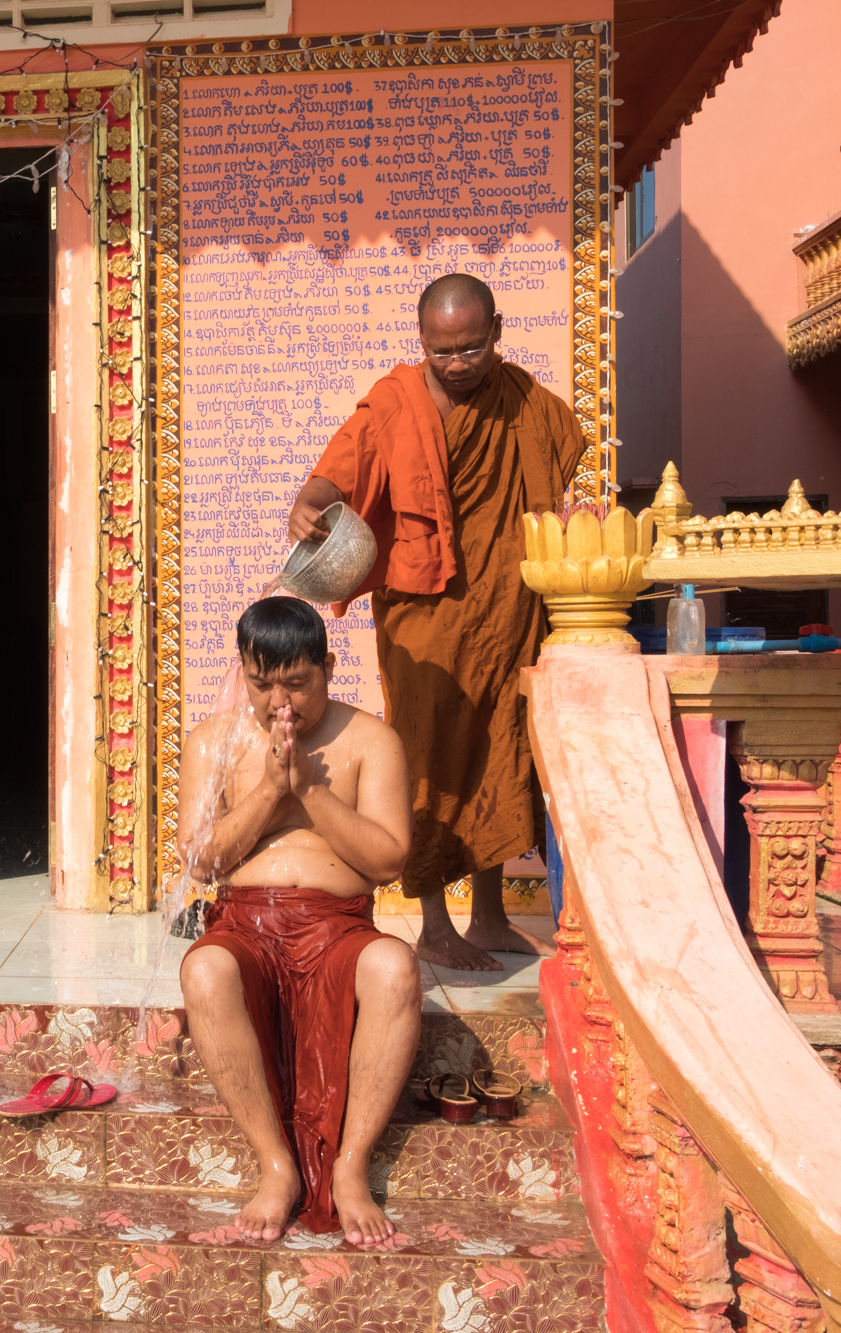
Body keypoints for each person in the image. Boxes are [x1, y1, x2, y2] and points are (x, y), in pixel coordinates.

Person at [285, 272, 585, 971]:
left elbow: (557, 473)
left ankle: (489, 913)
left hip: (507, 608)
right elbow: (341, 468)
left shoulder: (526, 404)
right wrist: (311, 498)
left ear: (497, 331)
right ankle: (434, 921)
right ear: (422, 341)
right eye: (442, 349)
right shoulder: (395, 402)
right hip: (425, 617)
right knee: (427, 760)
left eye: (471, 347)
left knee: (500, 749)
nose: (457, 362)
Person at [176, 596, 419, 1245]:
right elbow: (200, 859)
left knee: (395, 966)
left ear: (328, 666)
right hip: (245, 924)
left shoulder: (370, 740)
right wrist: (270, 790)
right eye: (262, 682)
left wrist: (311, 789)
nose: (280, 700)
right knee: (203, 969)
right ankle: (275, 1164)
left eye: (297, 681)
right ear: (244, 672)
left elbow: (389, 859)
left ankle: (350, 1166)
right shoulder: (214, 740)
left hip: (337, 925)